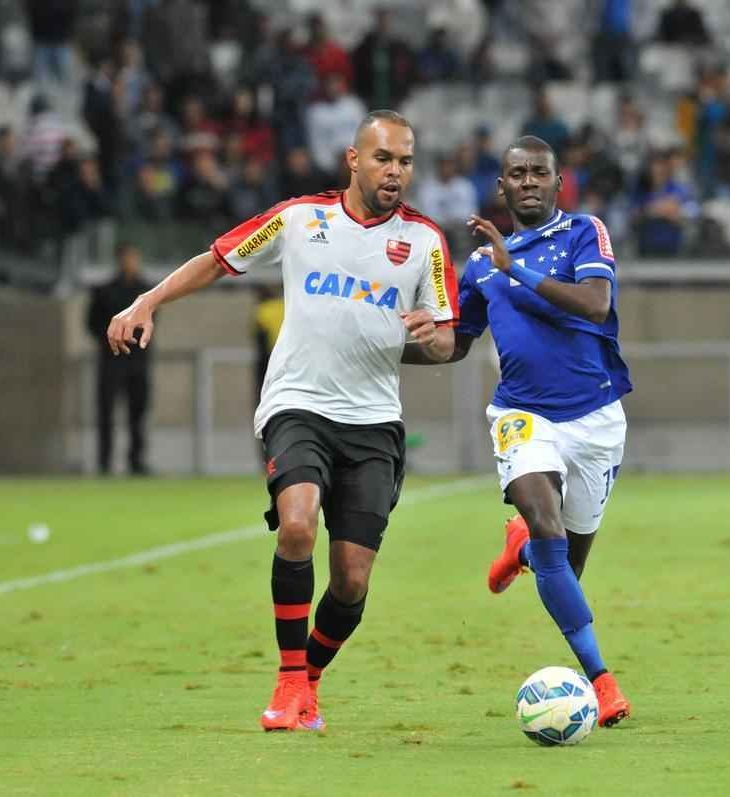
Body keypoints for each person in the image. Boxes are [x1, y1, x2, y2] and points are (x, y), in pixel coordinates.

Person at [106, 110, 459, 731]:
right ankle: (288, 680)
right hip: (297, 405)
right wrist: (148, 299)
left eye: (405, 161)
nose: (396, 171)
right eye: (383, 159)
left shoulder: (426, 241)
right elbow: (218, 259)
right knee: (296, 525)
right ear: (354, 160)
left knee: (350, 580)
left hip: (374, 422)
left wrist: (433, 337)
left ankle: (310, 682)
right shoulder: (299, 218)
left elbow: (445, 336)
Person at [411, 135, 633, 727]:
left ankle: (524, 550)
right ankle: (603, 681)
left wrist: (519, 269)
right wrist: (391, 343)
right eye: (517, 173)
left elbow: (593, 304)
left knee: (566, 561)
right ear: (501, 187)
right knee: (545, 519)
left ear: (558, 183)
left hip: (595, 418)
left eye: (540, 172)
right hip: (522, 414)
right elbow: (456, 343)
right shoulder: (480, 264)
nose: (529, 180)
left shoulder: (586, 231)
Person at [87, 243, 153, 475]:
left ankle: (136, 461)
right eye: (127, 258)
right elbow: (92, 323)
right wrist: (112, 340)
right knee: (106, 412)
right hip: (111, 359)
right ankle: (104, 463)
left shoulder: (145, 291)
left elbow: (151, 322)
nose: (131, 262)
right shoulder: (104, 291)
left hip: (138, 361)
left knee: (138, 412)